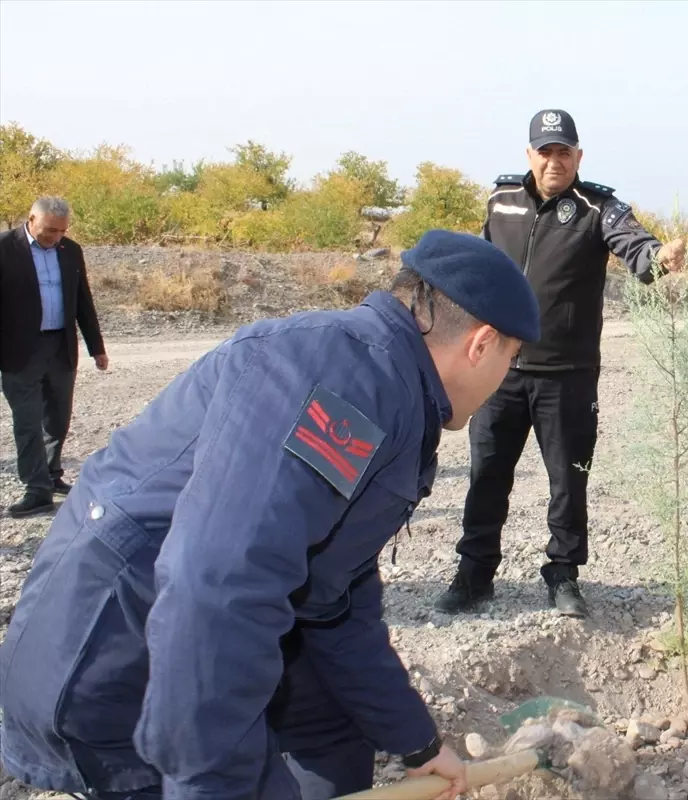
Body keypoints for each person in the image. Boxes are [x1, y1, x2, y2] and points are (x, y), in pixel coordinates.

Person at [0, 230, 543, 800]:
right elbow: (219, 584)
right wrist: (215, 784)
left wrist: (416, 741)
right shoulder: (343, 380)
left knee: (335, 726)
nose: (504, 378)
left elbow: (335, 596)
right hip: (117, 663)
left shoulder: (388, 383)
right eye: (511, 360)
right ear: (481, 344)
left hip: (197, 633)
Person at [433, 109, 685, 619]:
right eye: (545, 151)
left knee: (568, 482)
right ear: (529, 154)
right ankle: (475, 574)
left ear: (578, 156)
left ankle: (563, 574)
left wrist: (658, 258)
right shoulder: (501, 200)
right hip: (498, 373)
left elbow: (634, 245)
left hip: (567, 375)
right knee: (487, 476)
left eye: (563, 152)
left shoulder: (599, 207)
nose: (554, 161)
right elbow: (481, 268)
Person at [0, 196, 108, 518]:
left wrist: (96, 347)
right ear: (31, 219)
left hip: (60, 346)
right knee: (28, 423)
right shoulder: (5, 248)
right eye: (50, 230)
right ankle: (37, 491)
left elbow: (83, 300)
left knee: (58, 419)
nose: (56, 237)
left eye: (62, 231)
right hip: (19, 351)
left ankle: (51, 474)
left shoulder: (71, 250)